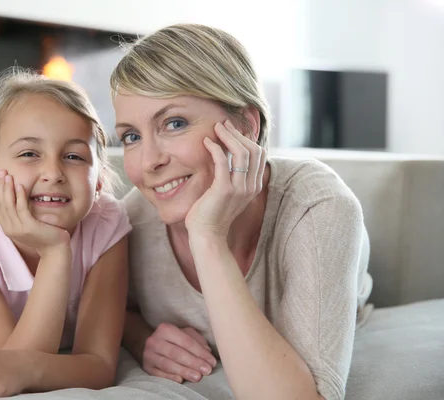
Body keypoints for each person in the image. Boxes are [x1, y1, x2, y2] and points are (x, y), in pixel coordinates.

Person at [111, 24, 372, 400]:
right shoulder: (133, 218)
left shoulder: (320, 208)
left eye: (174, 123)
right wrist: (140, 338)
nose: (149, 162)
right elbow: (105, 310)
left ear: (246, 126)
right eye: (131, 137)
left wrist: (207, 235)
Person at [0, 68, 131, 398]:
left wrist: (54, 251)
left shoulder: (107, 223)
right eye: (29, 154)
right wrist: (56, 252)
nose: (53, 173)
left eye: (73, 156)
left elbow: (99, 367)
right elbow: (7, 373)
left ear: (99, 179)